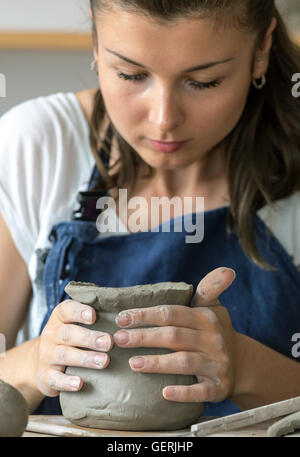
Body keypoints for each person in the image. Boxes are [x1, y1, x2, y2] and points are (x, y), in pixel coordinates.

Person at [0, 0, 299, 419]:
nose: (163, 120)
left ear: (262, 49)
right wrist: (35, 364)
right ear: (96, 40)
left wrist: (246, 367)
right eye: (131, 74)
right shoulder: (39, 146)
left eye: (204, 81)